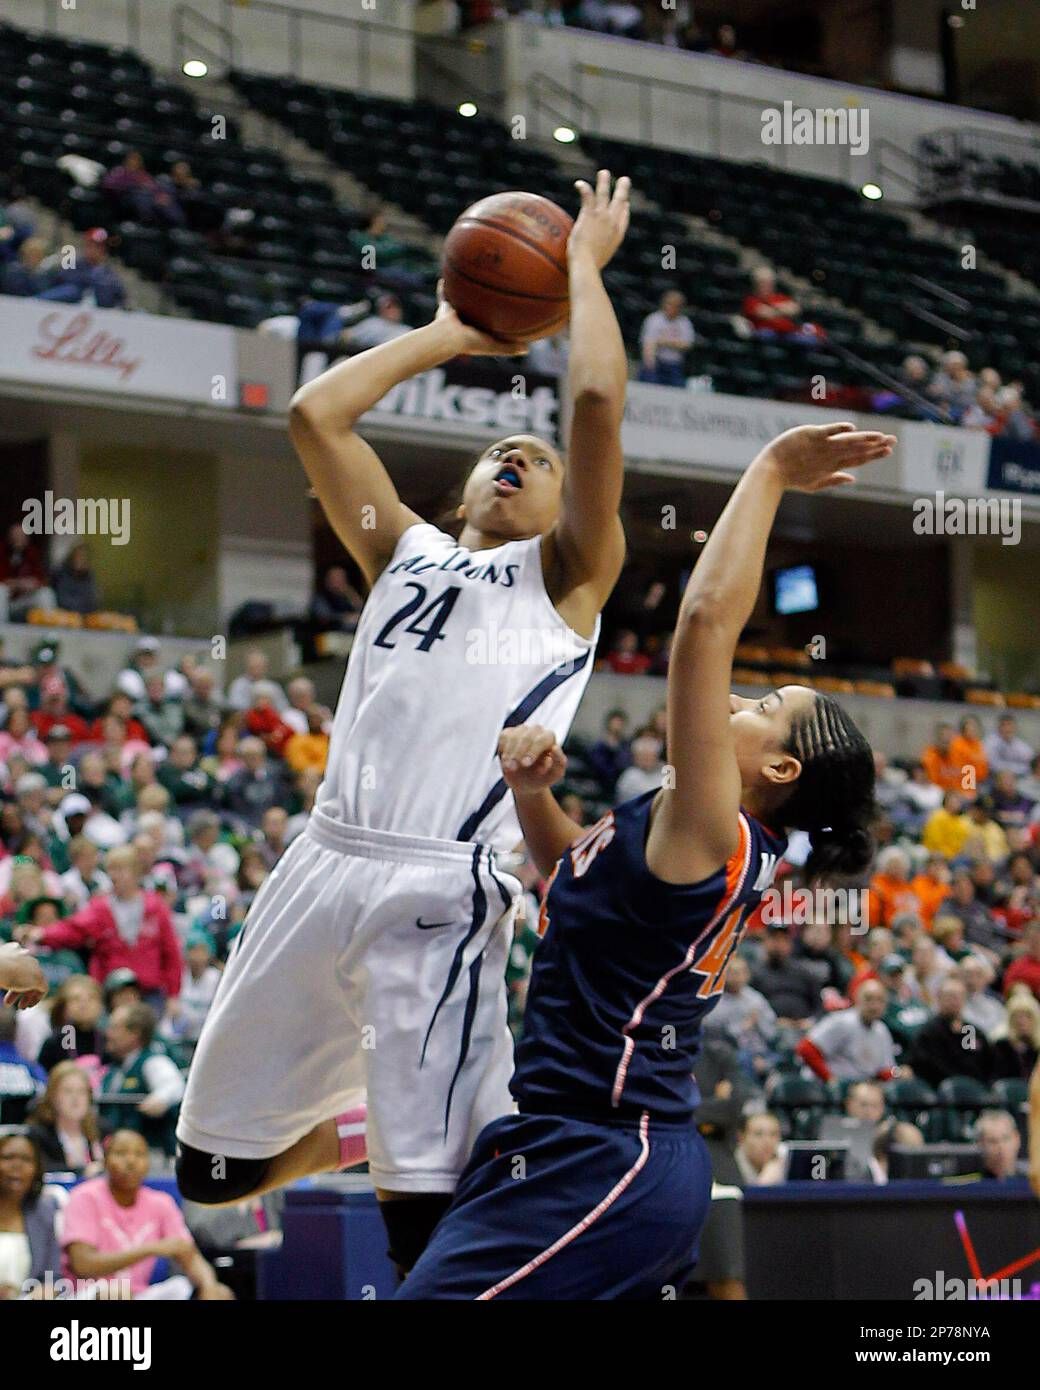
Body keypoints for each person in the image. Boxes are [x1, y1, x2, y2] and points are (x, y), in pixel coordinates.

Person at [176, 170, 634, 1276]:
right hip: (319, 860)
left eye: (535, 463)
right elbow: (312, 414)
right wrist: (442, 331)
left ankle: (463, 1170)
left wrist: (577, 275)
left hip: (436, 887)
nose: (513, 458)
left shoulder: (566, 576)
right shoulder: (403, 550)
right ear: (461, 486)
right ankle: (380, 1127)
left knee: (419, 1229)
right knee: (210, 1175)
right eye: (494, 454)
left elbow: (593, 408)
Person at [397, 420, 891, 1298]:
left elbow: (702, 626)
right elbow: (573, 884)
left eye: (763, 704)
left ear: (780, 770)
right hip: (577, 1143)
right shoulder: (682, 827)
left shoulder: (715, 827)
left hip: (607, 1156)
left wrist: (771, 466)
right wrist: (527, 788)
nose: (735, 699)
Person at [63, 1130, 233, 1299]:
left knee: (221, 1294)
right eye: (121, 1153)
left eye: (139, 1154)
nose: (131, 1161)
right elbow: (82, 1264)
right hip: (86, 1291)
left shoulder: (161, 1202)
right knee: (116, 1294)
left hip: (139, 1293)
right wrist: (150, 1249)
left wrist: (208, 1285)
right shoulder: (85, 1197)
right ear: (105, 1161)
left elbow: (189, 1255)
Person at [99, 1004, 185, 1155]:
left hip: (148, 1156)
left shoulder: (153, 1061)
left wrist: (160, 1099)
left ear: (135, 1033)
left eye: (115, 1028)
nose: (108, 1033)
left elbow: (174, 1084)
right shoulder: (112, 1070)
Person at [795, 978, 899, 1082]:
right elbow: (805, 1049)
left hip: (860, 1088)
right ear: (857, 999)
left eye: (880, 1000)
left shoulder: (881, 1030)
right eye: (868, 999)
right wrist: (829, 1078)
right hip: (825, 1087)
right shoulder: (842, 1021)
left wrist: (898, 1073)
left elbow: (884, 1070)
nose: (874, 1006)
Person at [0, 1130, 61, 1298]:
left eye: (26, 1159)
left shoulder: (44, 1212)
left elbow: (53, 1277)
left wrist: (44, 1292)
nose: (17, 1165)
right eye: (8, 1158)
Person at [909, 976, 993, 1088]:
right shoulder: (928, 1033)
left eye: (959, 996)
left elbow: (985, 1063)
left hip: (976, 1092)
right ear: (938, 998)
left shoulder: (971, 1031)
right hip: (941, 1093)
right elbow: (927, 1067)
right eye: (950, 996)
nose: (955, 1001)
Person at [27, 1061, 104, 1176]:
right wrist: (82, 1172)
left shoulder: (103, 1130)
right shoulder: (38, 1134)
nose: (76, 1098)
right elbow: (40, 1170)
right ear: (53, 1096)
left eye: (82, 1091)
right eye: (68, 1091)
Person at [37, 227, 126, 309]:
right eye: (90, 245)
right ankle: (34, 302)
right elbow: (62, 283)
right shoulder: (72, 263)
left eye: (98, 247)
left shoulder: (109, 275)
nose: (93, 250)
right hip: (66, 307)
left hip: (96, 313)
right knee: (72, 290)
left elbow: (118, 297)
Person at [638, 289, 695, 387]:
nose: (672, 308)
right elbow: (648, 344)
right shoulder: (654, 319)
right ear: (664, 304)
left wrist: (663, 342)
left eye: (676, 306)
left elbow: (687, 344)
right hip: (657, 362)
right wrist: (650, 364)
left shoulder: (684, 322)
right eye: (670, 304)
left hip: (674, 365)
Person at [990, 989, 1040, 1080]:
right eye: (1017, 1016)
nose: (1022, 1021)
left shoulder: (1037, 1048)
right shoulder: (1001, 1046)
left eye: (1028, 1016)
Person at [734, 1111, 785, 1185]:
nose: (767, 1141)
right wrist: (764, 1183)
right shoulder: (727, 1168)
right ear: (741, 1138)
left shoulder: (783, 1163)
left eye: (773, 1134)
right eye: (758, 1134)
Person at [985, 715, 1034, 780]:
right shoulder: (990, 742)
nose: (1007, 728)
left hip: (1016, 779)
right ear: (998, 727)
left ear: (1015, 727)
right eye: (1004, 725)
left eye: (1010, 725)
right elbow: (993, 765)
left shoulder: (1018, 743)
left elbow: (1031, 761)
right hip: (993, 779)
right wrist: (1019, 768)